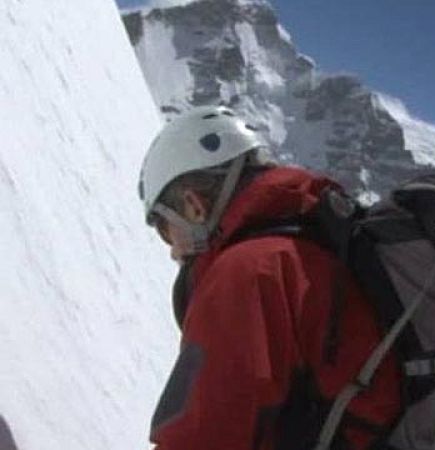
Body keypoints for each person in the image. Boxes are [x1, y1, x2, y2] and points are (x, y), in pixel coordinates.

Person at [138, 106, 402, 450]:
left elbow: (202, 439)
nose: (173, 251)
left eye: (165, 228)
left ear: (193, 206)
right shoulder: (313, 246)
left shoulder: (248, 272)